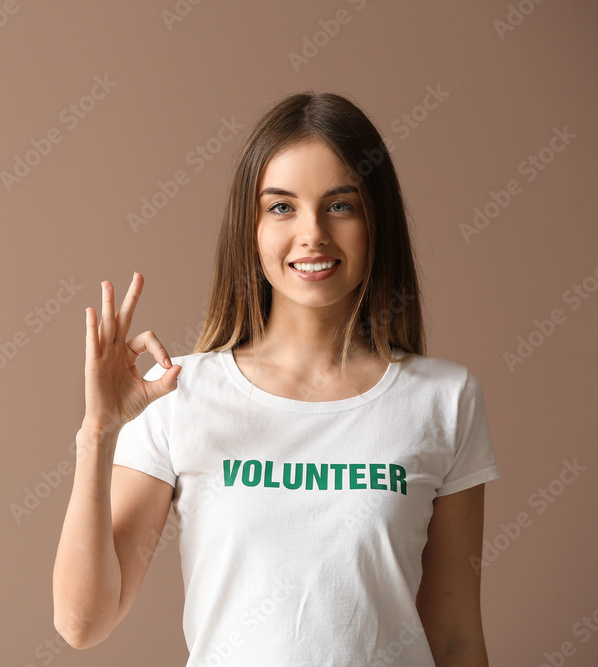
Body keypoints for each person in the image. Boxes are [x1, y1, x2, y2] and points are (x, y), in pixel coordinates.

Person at [52, 91, 500, 666]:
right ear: (252, 228)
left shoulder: (444, 399)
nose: (312, 233)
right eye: (281, 207)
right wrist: (99, 431)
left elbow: (458, 638)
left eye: (340, 205)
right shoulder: (175, 392)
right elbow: (81, 623)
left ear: (375, 219)